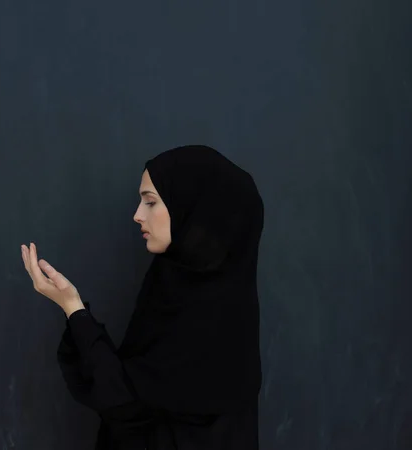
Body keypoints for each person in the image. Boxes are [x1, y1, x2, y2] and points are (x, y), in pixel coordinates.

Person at [21, 145, 264, 449]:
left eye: (150, 202)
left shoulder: (209, 311)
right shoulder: (175, 285)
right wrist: (74, 309)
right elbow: (133, 387)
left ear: (192, 209)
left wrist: (73, 308)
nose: (137, 215)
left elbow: (126, 401)